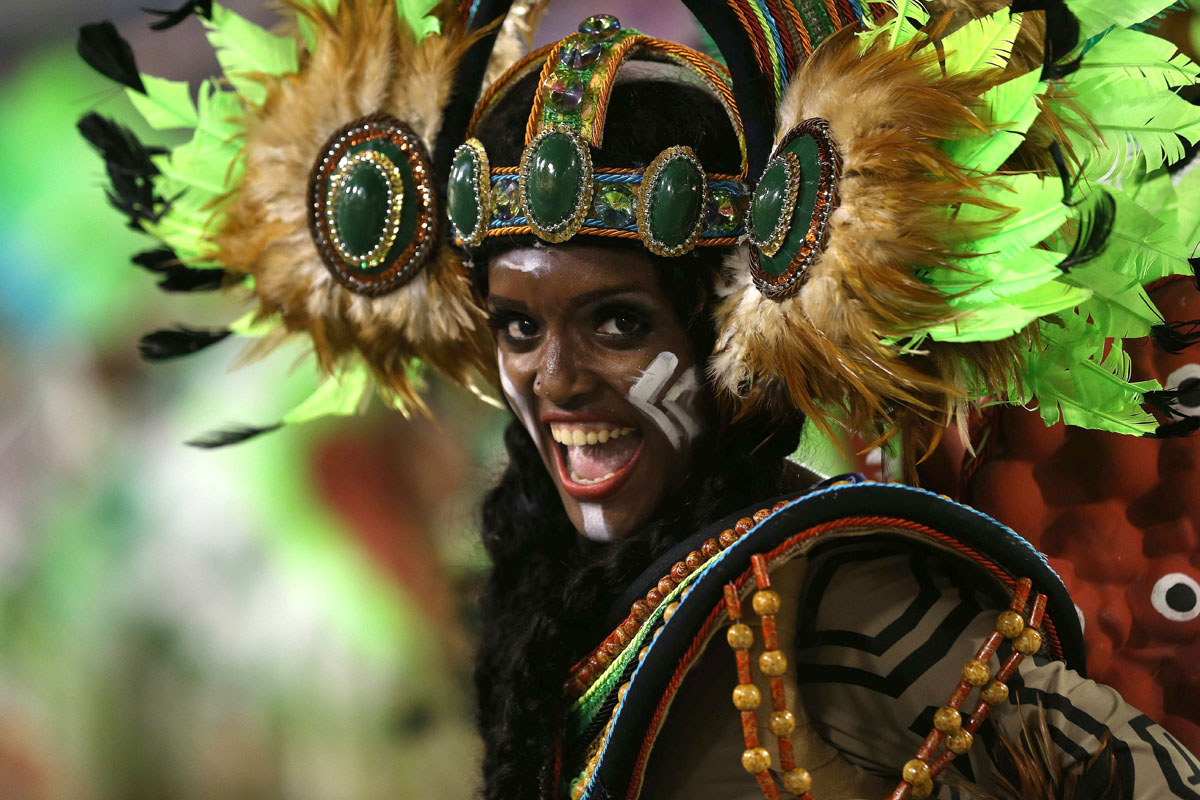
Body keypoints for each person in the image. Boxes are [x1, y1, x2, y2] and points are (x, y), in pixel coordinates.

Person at [77, 0, 1200, 798]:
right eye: (519, 326)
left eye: (617, 323)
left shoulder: (830, 591)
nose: (557, 381)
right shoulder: (559, 601)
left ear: (727, 331)